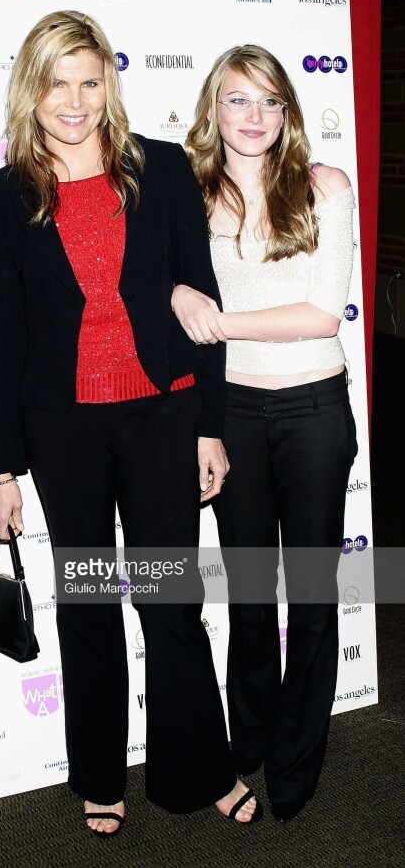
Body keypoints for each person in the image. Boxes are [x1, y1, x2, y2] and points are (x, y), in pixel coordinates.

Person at [0, 11, 263, 835]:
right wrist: (2, 470)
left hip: (160, 416)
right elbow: (3, 337)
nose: (76, 101)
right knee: (91, 606)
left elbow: (198, 301)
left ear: (110, 84)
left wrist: (209, 425)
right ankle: (100, 773)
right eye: (59, 84)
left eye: (91, 82)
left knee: (170, 602)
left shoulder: (162, 169)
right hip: (60, 428)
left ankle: (197, 767)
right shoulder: (5, 196)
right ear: (32, 92)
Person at [171, 44, 358, 823]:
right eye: (239, 100)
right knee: (249, 594)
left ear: (289, 112)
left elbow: (321, 314)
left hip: (315, 411)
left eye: (271, 102)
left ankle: (295, 758)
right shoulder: (183, 194)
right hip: (231, 418)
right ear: (213, 107)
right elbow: (148, 285)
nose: (255, 117)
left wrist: (210, 315)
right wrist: (174, 290)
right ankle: (248, 739)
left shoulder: (324, 187)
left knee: (311, 598)